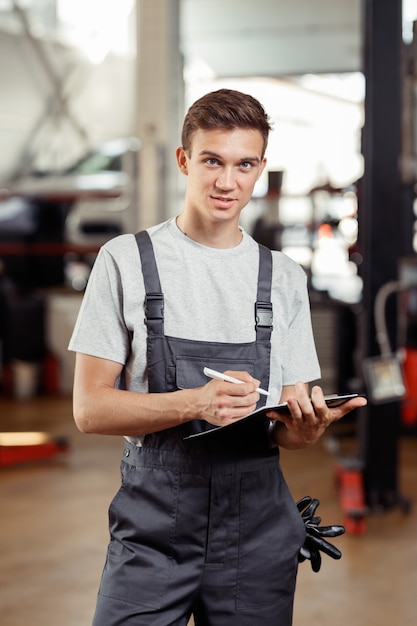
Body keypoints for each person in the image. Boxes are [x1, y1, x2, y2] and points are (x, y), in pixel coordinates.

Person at [69, 88, 367, 626]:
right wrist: (195, 403)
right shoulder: (126, 261)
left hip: (256, 530)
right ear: (185, 160)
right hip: (153, 527)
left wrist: (308, 427)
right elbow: (90, 411)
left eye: (243, 164)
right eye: (212, 161)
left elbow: (289, 432)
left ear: (260, 170)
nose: (227, 182)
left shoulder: (284, 279)